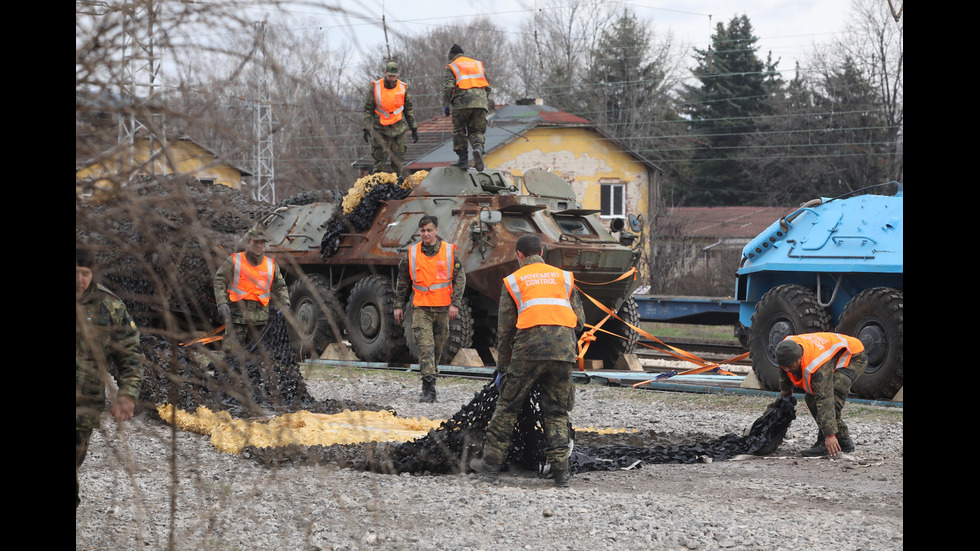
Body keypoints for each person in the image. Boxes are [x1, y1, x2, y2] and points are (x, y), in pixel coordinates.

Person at [473, 234, 585, 487]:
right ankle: (561, 473)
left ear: (519, 256)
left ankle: (490, 466)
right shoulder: (564, 277)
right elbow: (579, 321)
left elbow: (505, 330)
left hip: (528, 351)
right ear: (542, 253)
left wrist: (502, 369)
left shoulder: (514, 280)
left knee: (508, 406)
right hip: (563, 350)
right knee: (556, 411)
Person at [76, 243, 146, 508]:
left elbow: (131, 354)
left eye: (85, 272)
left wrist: (127, 394)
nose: (80, 280)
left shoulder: (109, 306)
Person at [393, 215, 465, 403]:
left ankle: (431, 378)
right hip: (420, 308)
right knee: (425, 347)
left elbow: (460, 278)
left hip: (442, 308)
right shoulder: (412, 253)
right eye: (422, 230)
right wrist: (398, 305)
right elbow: (402, 280)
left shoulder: (450, 252)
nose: (425, 234)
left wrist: (455, 303)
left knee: (437, 348)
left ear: (436, 231)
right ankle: (428, 387)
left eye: (429, 230)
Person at [774, 332, 868, 457]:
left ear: (799, 358)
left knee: (832, 395)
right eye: (784, 366)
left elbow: (825, 399)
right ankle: (844, 441)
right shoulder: (786, 347)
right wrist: (785, 388)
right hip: (833, 353)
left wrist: (830, 435)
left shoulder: (817, 364)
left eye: (790, 366)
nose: (787, 369)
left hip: (854, 356)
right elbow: (784, 366)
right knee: (811, 397)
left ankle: (826, 441)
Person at [213, 227, 290, 356]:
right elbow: (219, 280)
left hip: (259, 320)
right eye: (255, 242)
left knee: (257, 357)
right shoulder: (234, 261)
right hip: (236, 318)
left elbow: (281, 286)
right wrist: (221, 302)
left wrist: (286, 304)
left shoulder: (271, 266)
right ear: (248, 243)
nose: (259, 246)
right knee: (232, 354)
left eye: (262, 243)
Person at [363, 60, 419, 177]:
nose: (391, 78)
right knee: (379, 161)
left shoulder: (403, 88)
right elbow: (368, 109)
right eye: (389, 75)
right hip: (381, 129)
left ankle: (397, 184)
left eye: (394, 76)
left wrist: (413, 127)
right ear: (385, 73)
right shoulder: (375, 87)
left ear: (398, 74)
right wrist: (366, 127)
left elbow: (408, 109)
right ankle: (377, 185)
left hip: (399, 129)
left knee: (398, 161)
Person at [442, 44, 491, 171]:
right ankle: (478, 149)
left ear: (452, 56)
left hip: (462, 103)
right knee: (476, 131)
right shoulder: (477, 65)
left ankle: (463, 160)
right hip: (481, 103)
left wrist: (446, 104)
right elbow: (488, 85)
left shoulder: (452, 66)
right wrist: (484, 101)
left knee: (459, 130)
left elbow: (448, 87)